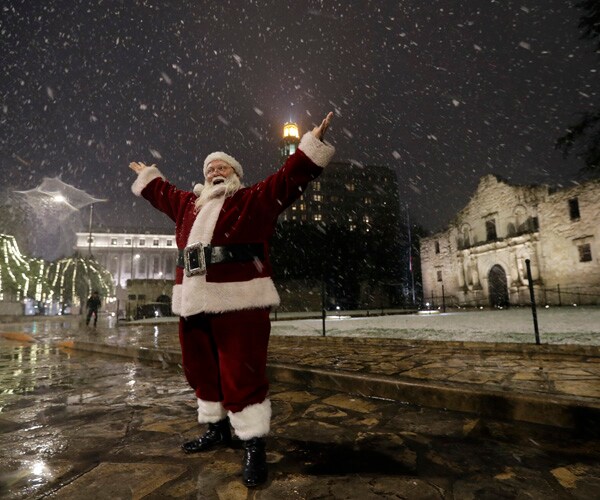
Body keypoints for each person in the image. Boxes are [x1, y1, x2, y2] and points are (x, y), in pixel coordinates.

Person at [128, 111, 335, 488]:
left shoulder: (252, 200)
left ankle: (253, 442)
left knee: (242, 371)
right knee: (199, 368)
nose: (214, 172)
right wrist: (148, 176)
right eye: (210, 168)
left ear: (235, 174)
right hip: (193, 301)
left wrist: (311, 146)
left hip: (239, 302)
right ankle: (216, 427)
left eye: (222, 167)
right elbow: (162, 193)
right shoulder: (188, 206)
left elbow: (286, 181)